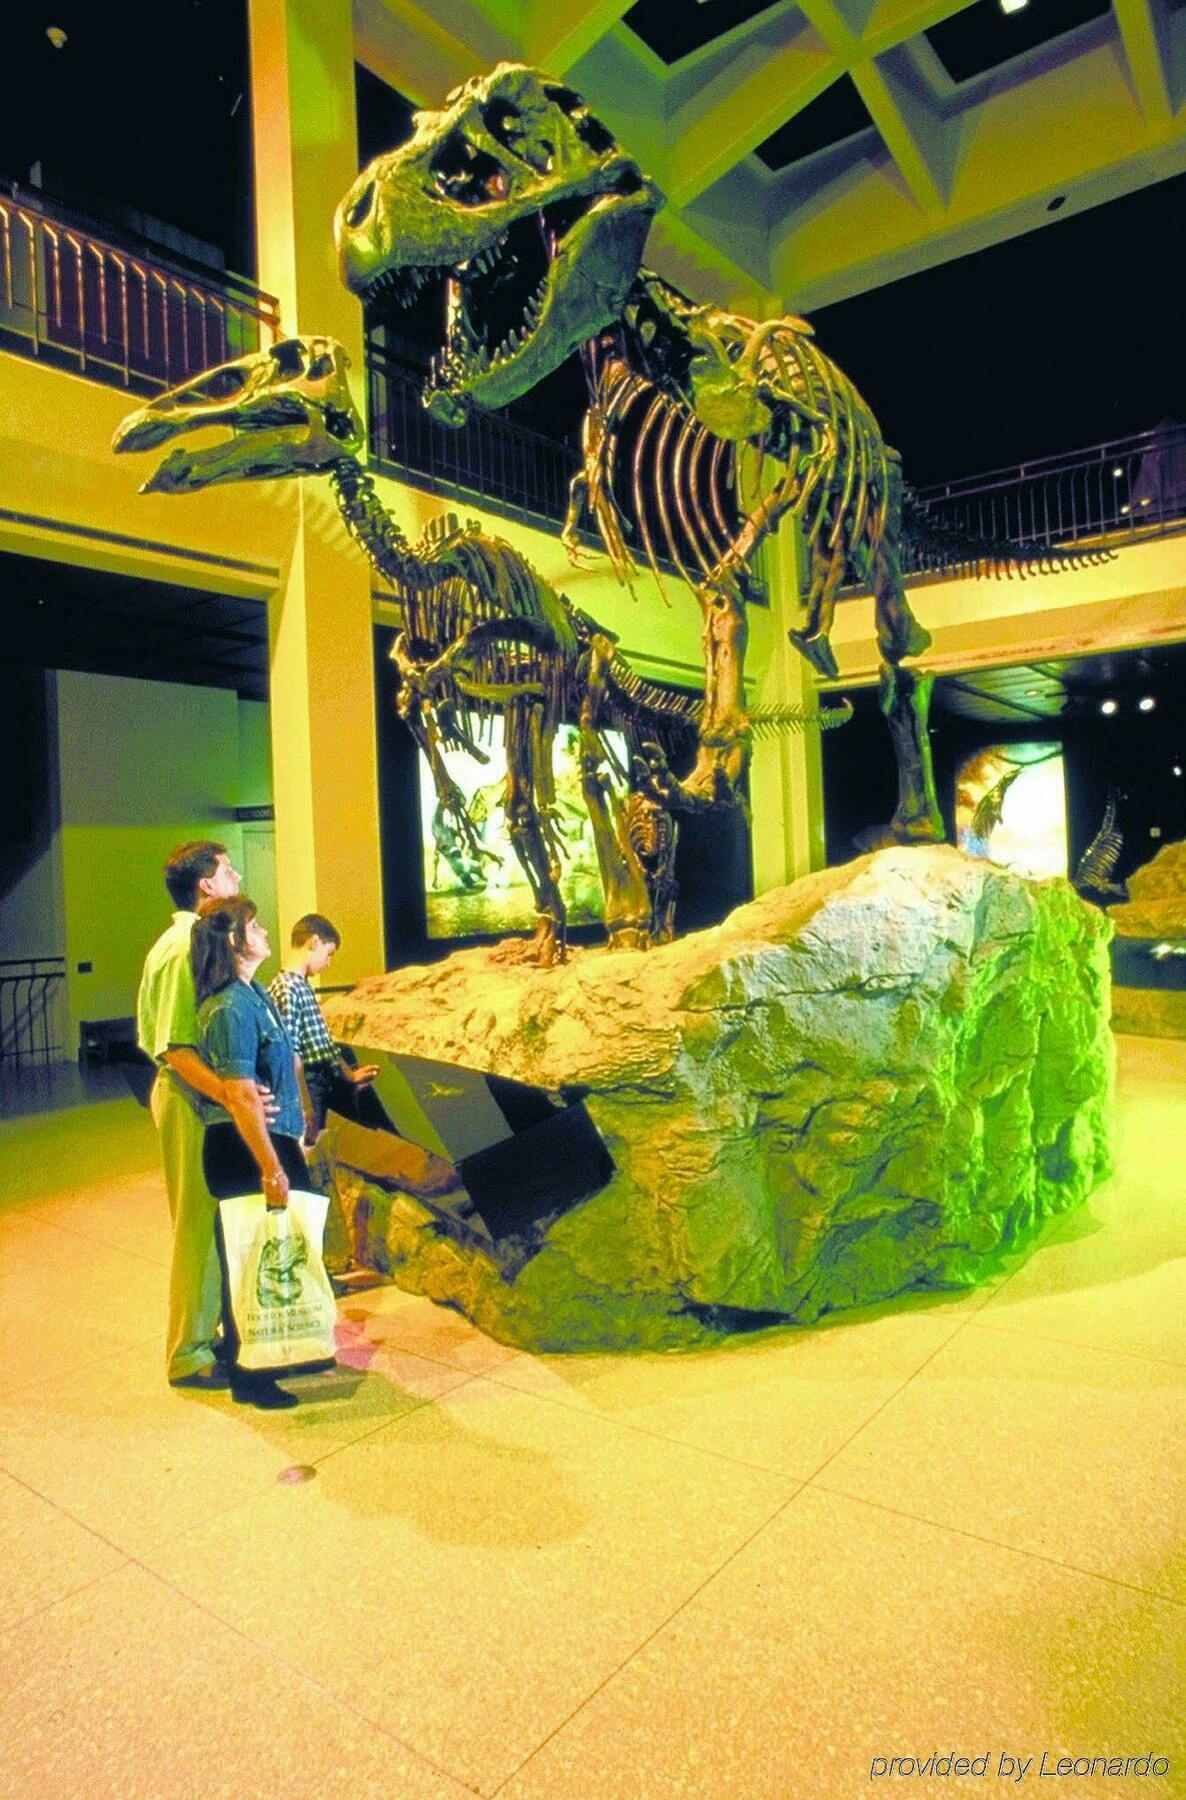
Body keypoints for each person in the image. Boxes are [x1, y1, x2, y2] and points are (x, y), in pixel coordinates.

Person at [191, 894, 312, 1409]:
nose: (264, 932)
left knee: (268, 1255)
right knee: (249, 1262)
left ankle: (269, 1356)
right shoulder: (229, 1006)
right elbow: (239, 1092)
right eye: (253, 926)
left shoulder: (253, 993)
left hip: (270, 1140)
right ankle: (249, 1375)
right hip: (245, 1151)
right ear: (234, 941)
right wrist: (271, 1166)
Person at [137, 840, 243, 1392]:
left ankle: (211, 1334)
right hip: (188, 1097)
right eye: (227, 869)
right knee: (196, 1228)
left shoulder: (189, 940)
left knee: (208, 1222)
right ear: (206, 885)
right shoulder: (184, 944)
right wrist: (232, 1095)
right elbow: (178, 1048)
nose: (237, 874)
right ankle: (189, 1353)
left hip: (199, 1098)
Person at [269, 912, 378, 1141]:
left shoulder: (302, 984)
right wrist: (304, 1105)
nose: (328, 963)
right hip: (310, 1084)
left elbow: (321, 1041)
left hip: (324, 1078)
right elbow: (290, 1053)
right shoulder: (287, 988)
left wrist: (348, 1075)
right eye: (329, 954)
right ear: (314, 941)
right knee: (313, 1144)